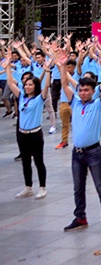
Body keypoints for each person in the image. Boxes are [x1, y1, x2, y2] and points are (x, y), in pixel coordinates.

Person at [57, 49, 101, 232]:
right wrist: (62, 66)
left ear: (92, 91)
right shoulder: (74, 102)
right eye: (80, 89)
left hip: (94, 152)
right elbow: (65, 84)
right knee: (78, 187)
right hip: (77, 153)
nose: (82, 92)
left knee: (100, 186)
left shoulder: (98, 105)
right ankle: (80, 217)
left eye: (86, 90)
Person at [6, 45, 50, 199]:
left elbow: (46, 87)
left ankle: (42, 187)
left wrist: (48, 71)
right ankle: (28, 187)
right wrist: (7, 68)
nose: (27, 86)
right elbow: (11, 84)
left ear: (35, 86)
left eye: (30, 84)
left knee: (38, 160)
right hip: (22, 134)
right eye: (26, 85)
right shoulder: (22, 97)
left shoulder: (39, 99)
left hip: (35, 134)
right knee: (25, 161)